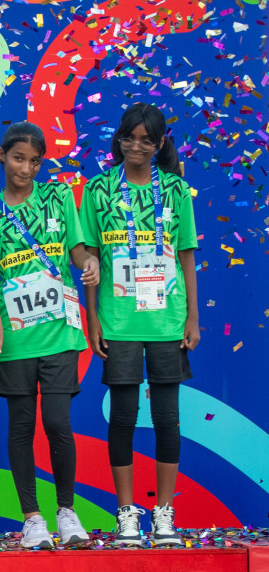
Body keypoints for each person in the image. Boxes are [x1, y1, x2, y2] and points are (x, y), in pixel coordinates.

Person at [79, 103, 200, 546]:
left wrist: (193, 317)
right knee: (124, 418)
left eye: (146, 140)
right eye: (128, 137)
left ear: (160, 144)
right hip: (118, 320)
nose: (136, 146)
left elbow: (186, 254)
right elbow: (89, 255)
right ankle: (127, 513)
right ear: (118, 139)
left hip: (168, 321)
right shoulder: (98, 190)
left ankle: (164, 513)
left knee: (168, 419)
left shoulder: (175, 190)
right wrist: (92, 317)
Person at [0, 123, 100, 550]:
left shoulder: (59, 197)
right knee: (22, 425)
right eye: (17, 158)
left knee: (58, 422)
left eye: (33, 161)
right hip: (15, 337)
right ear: (2, 157)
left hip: (62, 332)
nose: (25, 168)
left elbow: (76, 249)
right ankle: (32, 519)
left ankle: (66, 511)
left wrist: (90, 262)